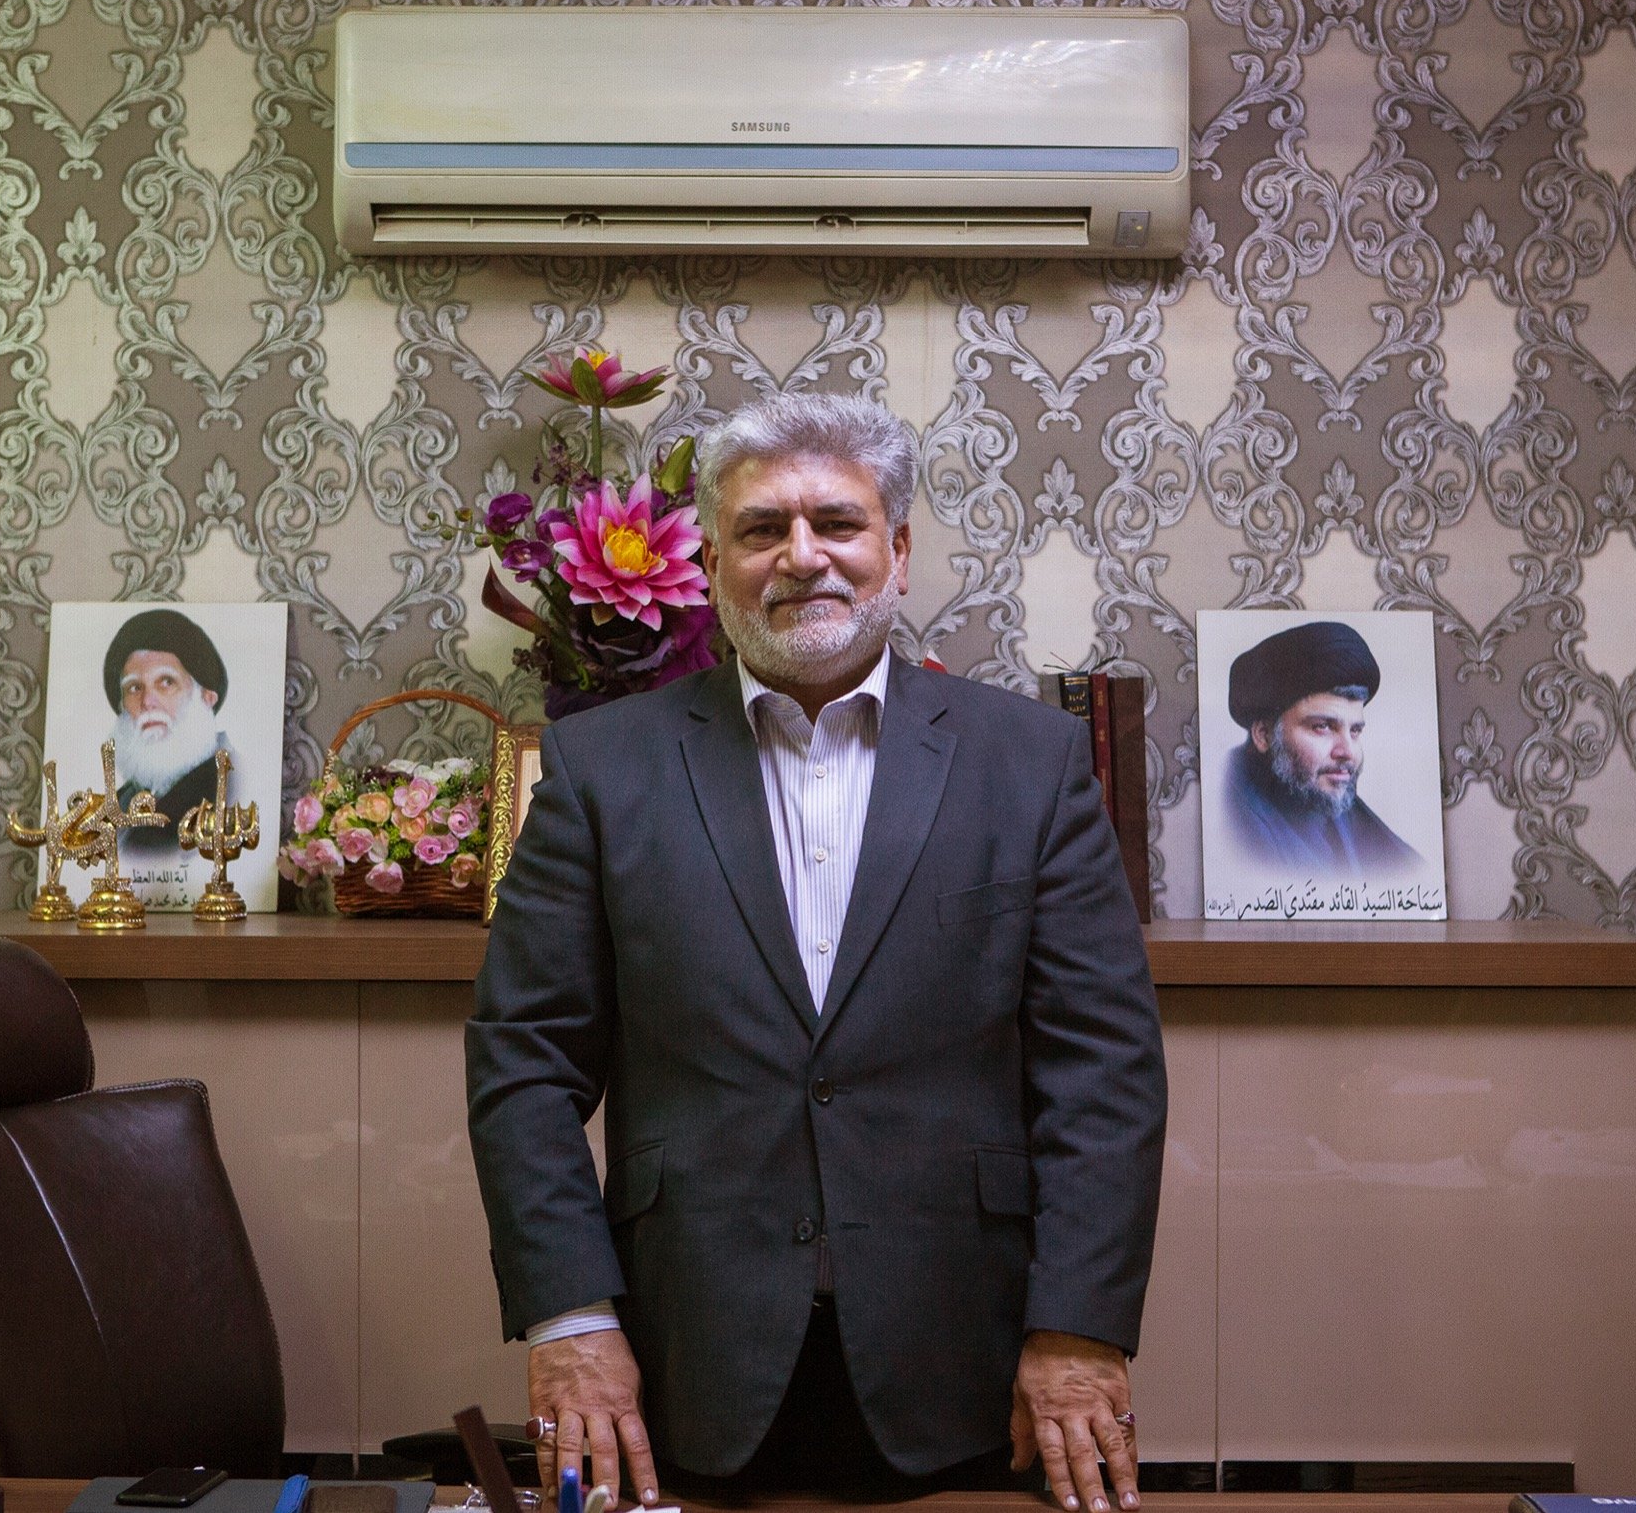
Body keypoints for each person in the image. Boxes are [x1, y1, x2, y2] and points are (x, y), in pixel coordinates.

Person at [467, 393, 1166, 1508]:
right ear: (712, 564)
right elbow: (526, 1067)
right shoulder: (602, 772)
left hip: (971, 1361)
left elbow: (1104, 1074)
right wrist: (571, 1317)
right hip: (682, 1363)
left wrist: (1077, 1326)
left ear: (897, 550)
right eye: (760, 530)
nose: (803, 558)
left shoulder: (1029, 767)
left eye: (838, 524)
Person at [1216, 619, 1424, 881]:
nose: (1348, 752)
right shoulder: (1230, 827)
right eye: (1323, 727)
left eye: (1355, 731)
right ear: (1264, 735)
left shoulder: (1330, 803)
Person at [102, 608, 233, 852]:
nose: (147, 701)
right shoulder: (119, 804)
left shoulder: (232, 788)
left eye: (166, 682)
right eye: (133, 688)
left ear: (206, 697)